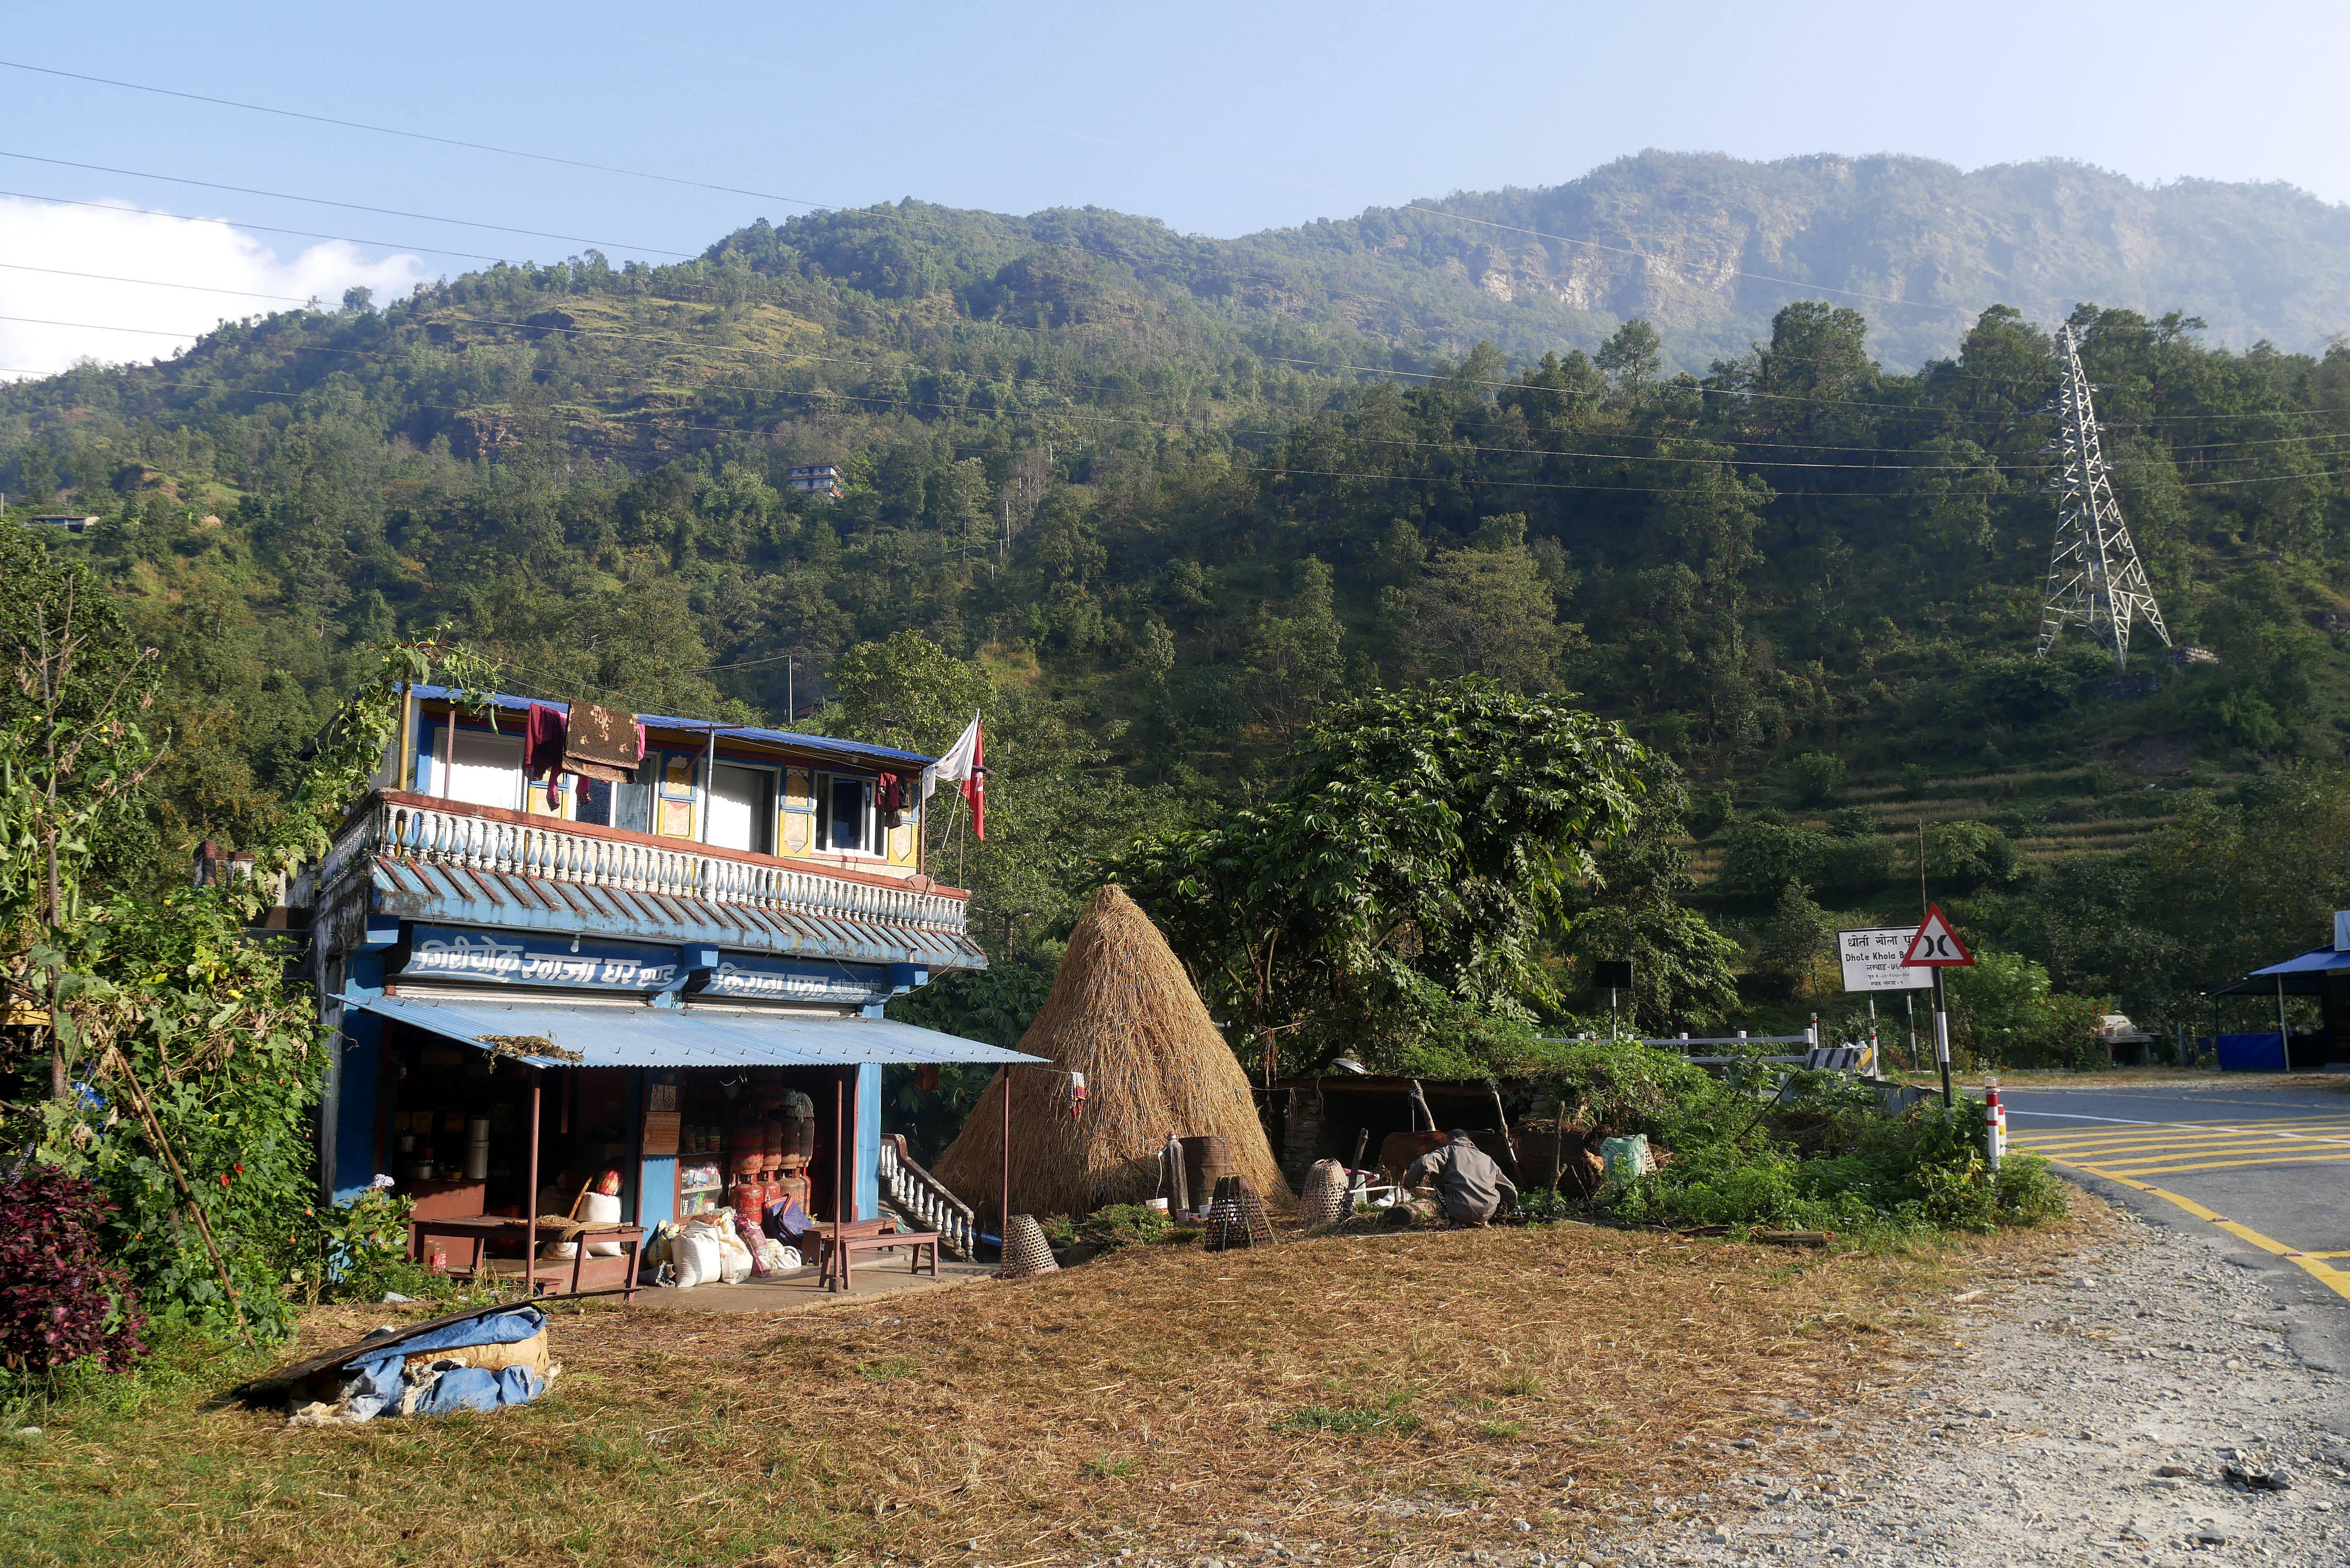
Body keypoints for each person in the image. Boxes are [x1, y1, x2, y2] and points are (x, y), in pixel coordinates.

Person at [1404, 1129, 1518, 1226]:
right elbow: (1510, 1189)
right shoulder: (1487, 1158)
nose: (1445, 1145)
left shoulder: (1449, 1151)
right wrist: (1503, 1210)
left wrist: (1409, 1183)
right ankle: (1484, 1222)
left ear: (1453, 1139)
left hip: (1461, 1210)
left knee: (1435, 1178)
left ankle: (1455, 1222)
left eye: (1446, 1143)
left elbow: (1424, 1162)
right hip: (1488, 1211)